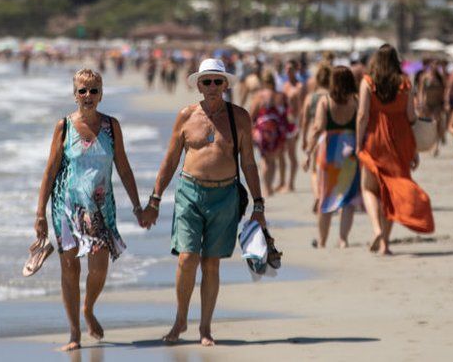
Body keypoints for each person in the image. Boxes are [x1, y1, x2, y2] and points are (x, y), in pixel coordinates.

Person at [138, 58, 266, 347]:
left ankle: (205, 328)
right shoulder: (185, 116)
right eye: (206, 81)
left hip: (225, 196)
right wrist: (155, 199)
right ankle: (181, 318)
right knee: (187, 258)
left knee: (211, 264)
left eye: (217, 81)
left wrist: (259, 206)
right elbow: (171, 159)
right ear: (198, 85)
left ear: (225, 85)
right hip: (189, 193)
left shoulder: (240, 117)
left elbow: (248, 163)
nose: (211, 87)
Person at [33, 69, 143, 351]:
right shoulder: (64, 127)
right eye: (82, 91)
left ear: (101, 93)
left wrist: (137, 205)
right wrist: (40, 214)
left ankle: (89, 307)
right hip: (66, 206)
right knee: (70, 268)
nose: (88, 96)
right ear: (74, 94)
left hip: (99, 208)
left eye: (94, 90)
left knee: (99, 267)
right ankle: (74, 334)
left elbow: (124, 168)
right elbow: (49, 171)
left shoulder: (111, 126)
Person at [357, 45, 434, 255]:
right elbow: (411, 116)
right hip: (400, 140)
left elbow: (363, 115)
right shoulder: (405, 83)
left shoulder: (367, 82)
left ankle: (376, 230)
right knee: (391, 191)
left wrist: (358, 143)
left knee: (369, 188)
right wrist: (414, 148)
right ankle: (385, 244)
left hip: (375, 138)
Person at [304, 66, 360, 248]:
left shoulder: (325, 102)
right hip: (350, 153)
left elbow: (318, 127)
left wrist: (308, 152)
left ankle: (322, 241)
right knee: (348, 199)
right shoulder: (356, 101)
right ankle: (343, 239)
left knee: (325, 198)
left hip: (329, 154)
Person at [248, 73, 286, 196]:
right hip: (276, 130)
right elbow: (285, 114)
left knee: (264, 159)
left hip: (262, 130)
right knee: (273, 159)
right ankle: (270, 186)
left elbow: (251, 115)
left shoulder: (259, 96)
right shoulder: (279, 95)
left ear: (263, 83)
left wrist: (250, 131)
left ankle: (266, 187)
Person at [301, 63, 332, 214]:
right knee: (329, 169)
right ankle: (327, 195)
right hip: (332, 137)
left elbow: (305, 121)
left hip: (316, 137)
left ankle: (318, 195)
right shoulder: (332, 96)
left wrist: (304, 140)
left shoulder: (310, 98)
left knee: (314, 170)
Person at [281, 59, 305, 192]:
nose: (287, 71)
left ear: (296, 70)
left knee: (291, 154)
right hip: (283, 122)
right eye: (286, 69)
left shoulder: (300, 87)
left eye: (290, 69)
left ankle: (290, 183)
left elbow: (302, 109)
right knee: (281, 153)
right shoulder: (285, 85)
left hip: (293, 123)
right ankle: (283, 182)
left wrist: (300, 128)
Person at [417, 60, 447, 156]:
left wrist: (445, 102)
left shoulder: (440, 77)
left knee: (436, 122)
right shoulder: (425, 77)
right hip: (427, 103)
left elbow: (445, 88)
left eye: (436, 65)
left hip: (437, 104)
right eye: (432, 65)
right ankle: (428, 144)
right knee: (427, 125)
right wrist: (420, 102)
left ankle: (436, 146)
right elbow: (421, 90)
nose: (434, 67)